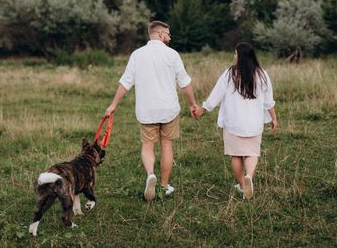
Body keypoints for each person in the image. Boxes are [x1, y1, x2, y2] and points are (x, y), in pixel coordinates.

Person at [105, 21, 198, 201]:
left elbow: (125, 83)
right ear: (161, 34)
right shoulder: (172, 55)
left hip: (147, 110)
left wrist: (113, 105)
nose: (170, 38)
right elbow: (185, 84)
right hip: (169, 109)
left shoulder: (137, 55)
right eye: (168, 34)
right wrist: (193, 104)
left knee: (148, 146)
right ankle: (163, 185)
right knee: (166, 145)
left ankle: (150, 175)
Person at [192, 42, 277, 200]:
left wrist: (202, 109)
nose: (234, 56)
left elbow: (215, 95)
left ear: (241, 56)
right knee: (252, 153)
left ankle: (242, 185)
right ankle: (249, 177)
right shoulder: (262, 75)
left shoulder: (230, 74)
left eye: (235, 53)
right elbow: (268, 101)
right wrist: (274, 118)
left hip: (234, 123)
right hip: (254, 124)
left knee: (236, 156)